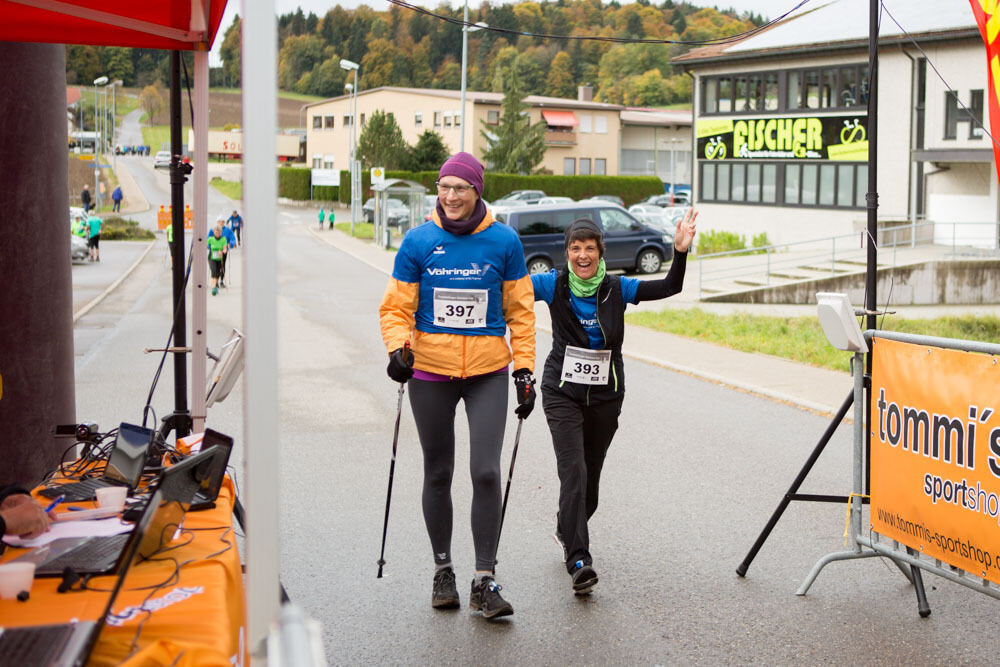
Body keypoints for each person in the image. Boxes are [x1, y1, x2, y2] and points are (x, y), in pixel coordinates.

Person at [378, 152, 536, 620]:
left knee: (486, 471)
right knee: (438, 472)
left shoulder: (505, 241)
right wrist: (397, 348)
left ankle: (484, 580)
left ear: (477, 191)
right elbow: (396, 308)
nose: (450, 196)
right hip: (430, 371)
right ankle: (443, 570)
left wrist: (524, 369)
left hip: (488, 371)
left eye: (460, 188)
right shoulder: (419, 241)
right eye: (444, 187)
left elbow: (521, 312)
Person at [531, 210, 697, 596]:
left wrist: (680, 250)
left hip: (605, 396)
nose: (583, 255)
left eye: (590, 248)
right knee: (573, 471)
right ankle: (579, 561)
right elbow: (507, 287)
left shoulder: (616, 289)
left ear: (601, 252)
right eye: (575, 248)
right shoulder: (551, 285)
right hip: (562, 393)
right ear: (567, 252)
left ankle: (565, 527)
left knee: (589, 485)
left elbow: (670, 286)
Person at [215, 218, 237, 288]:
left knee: (222, 265)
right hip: (215, 251)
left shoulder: (228, 230)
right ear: (217, 222)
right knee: (216, 266)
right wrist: (209, 246)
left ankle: (221, 281)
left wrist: (230, 244)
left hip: (224, 250)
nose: (221, 223)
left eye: (222, 222)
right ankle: (215, 281)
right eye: (220, 222)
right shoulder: (213, 229)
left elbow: (233, 239)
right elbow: (209, 238)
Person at [207, 223, 228, 296]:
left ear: (221, 232)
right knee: (214, 270)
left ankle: (215, 285)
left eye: (219, 232)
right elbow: (205, 245)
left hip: (219, 258)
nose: (217, 233)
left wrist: (222, 251)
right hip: (211, 258)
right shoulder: (210, 239)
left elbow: (225, 249)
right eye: (216, 232)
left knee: (218, 273)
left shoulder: (223, 239)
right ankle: (213, 287)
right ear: (214, 232)